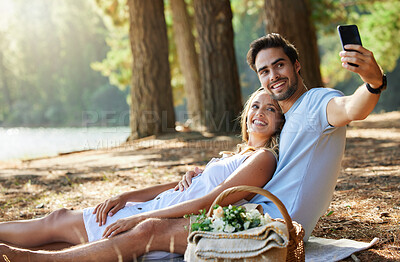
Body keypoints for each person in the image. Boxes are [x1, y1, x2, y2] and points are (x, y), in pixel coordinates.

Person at [0, 89, 285, 261]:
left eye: (270, 109)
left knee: (58, 220)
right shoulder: (236, 155)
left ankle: (23, 258)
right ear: (247, 114)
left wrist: (140, 218)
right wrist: (126, 196)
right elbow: (181, 187)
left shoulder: (263, 158)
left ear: (279, 123)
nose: (260, 112)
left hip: (162, 220)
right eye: (256, 106)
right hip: (156, 207)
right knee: (63, 240)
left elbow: (212, 200)